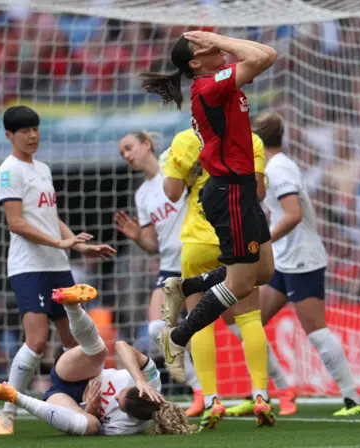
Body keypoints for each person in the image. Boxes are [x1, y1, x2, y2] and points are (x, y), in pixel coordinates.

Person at [140, 31, 277, 425]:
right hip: (229, 190)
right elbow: (266, 54)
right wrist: (218, 36)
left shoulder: (220, 79)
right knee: (239, 285)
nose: (219, 51)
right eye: (209, 50)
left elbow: (261, 57)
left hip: (242, 191)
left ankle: (186, 287)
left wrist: (212, 42)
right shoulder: (207, 86)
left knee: (264, 271)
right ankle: (177, 337)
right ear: (197, 64)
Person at [0, 105, 117, 435]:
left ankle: (79, 402)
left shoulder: (43, 169)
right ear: (10, 136)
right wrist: (58, 243)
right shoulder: (9, 171)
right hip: (28, 268)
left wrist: (78, 246)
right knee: (36, 342)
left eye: (35, 128)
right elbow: (16, 223)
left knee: (73, 343)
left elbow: (51, 218)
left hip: (57, 265)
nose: (33, 135)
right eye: (25, 131)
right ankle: (9, 410)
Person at [162, 128, 294, 428]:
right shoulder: (250, 138)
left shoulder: (185, 139)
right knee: (249, 319)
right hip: (238, 234)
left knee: (200, 320)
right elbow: (259, 193)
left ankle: (211, 400)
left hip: (198, 239)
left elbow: (171, 194)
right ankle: (260, 395)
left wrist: (179, 169)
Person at [252, 112, 360, 416]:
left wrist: (265, 241)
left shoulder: (279, 169)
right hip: (284, 259)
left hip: (303, 257)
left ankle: (352, 399)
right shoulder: (271, 167)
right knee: (250, 323)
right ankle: (267, 392)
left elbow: (293, 214)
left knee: (315, 331)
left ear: (258, 139)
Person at [0, 284, 197, 436]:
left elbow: (93, 427)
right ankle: (72, 306)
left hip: (67, 401)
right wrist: (140, 379)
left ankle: (15, 396)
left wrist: (91, 409)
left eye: (119, 405)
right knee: (100, 353)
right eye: (121, 395)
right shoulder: (151, 382)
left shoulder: (127, 427)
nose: (116, 398)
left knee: (90, 426)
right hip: (76, 372)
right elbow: (122, 346)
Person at [114, 131, 204, 417]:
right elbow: (152, 245)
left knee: (237, 324)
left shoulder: (173, 168)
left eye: (129, 148)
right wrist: (137, 237)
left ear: (146, 144)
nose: (127, 155)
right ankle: (199, 389)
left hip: (199, 258)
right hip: (168, 266)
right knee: (156, 330)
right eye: (122, 153)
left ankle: (276, 386)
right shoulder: (142, 195)